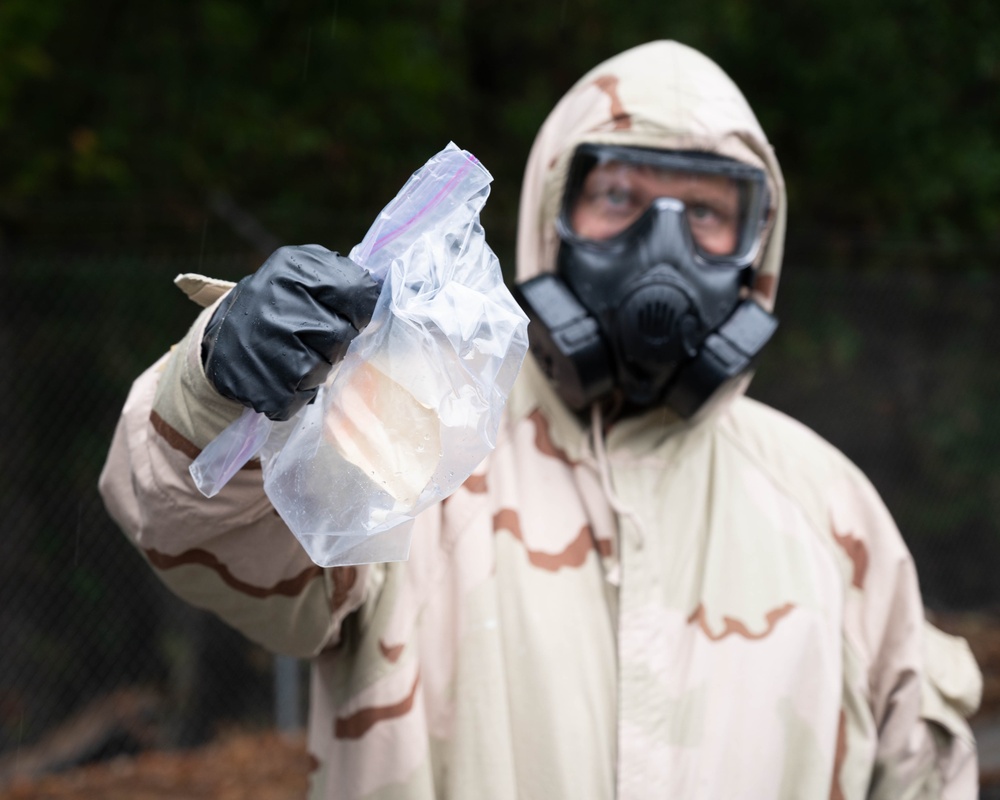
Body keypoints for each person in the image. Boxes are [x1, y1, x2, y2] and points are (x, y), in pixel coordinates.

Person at [99, 40, 983, 799]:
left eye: (709, 212)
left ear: (761, 248)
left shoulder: (831, 514)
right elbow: (185, 524)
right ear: (549, 220)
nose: (661, 246)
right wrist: (220, 383)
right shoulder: (414, 443)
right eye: (620, 199)